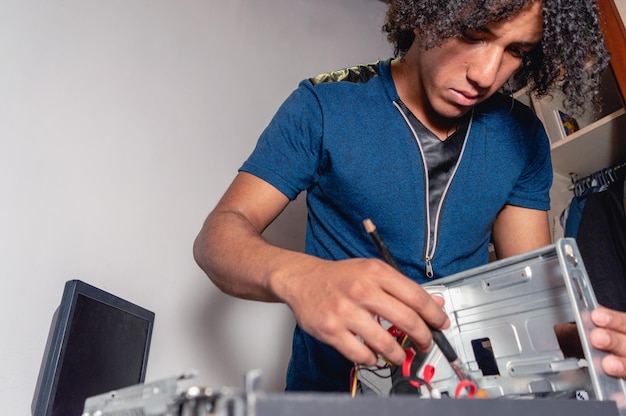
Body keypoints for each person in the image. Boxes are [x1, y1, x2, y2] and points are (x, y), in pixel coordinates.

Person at [193, 0, 615, 392]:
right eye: (473, 35)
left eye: (516, 50)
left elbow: (530, 297)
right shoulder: (323, 105)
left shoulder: (524, 138)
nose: (486, 75)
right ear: (424, 12)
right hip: (333, 392)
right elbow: (218, 238)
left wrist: (589, 343)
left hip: (460, 392)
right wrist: (299, 277)